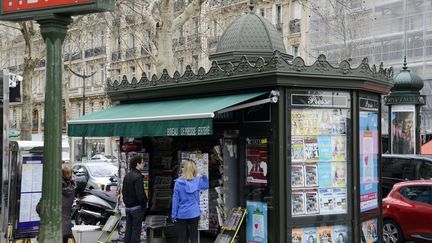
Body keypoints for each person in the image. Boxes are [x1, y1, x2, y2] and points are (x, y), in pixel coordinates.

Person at [36, 163, 76, 243]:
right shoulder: (72, 188)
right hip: (66, 229)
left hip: (52, 229)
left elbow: (39, 208)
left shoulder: (54, 188)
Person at [172, 159, 209, 243]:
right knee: (194, 237)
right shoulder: (197, 181)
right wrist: (204, 176)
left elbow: (175, 200)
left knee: (181, 237)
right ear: (194, 169)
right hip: (194, 213)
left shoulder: (178, 183)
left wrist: (174, 215)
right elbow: (206, 186)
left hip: (182, 214)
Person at [122, 155, 148, 243]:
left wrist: (126, 203)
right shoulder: (138, 177)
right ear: (137, 164)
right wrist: (144, 204)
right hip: (137, 207)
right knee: (136, 231)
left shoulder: (127, 176)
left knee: (128, 230)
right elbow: (140, 194)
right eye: (142, 162)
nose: (144, 164)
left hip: (128, 207)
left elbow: (123, 191)